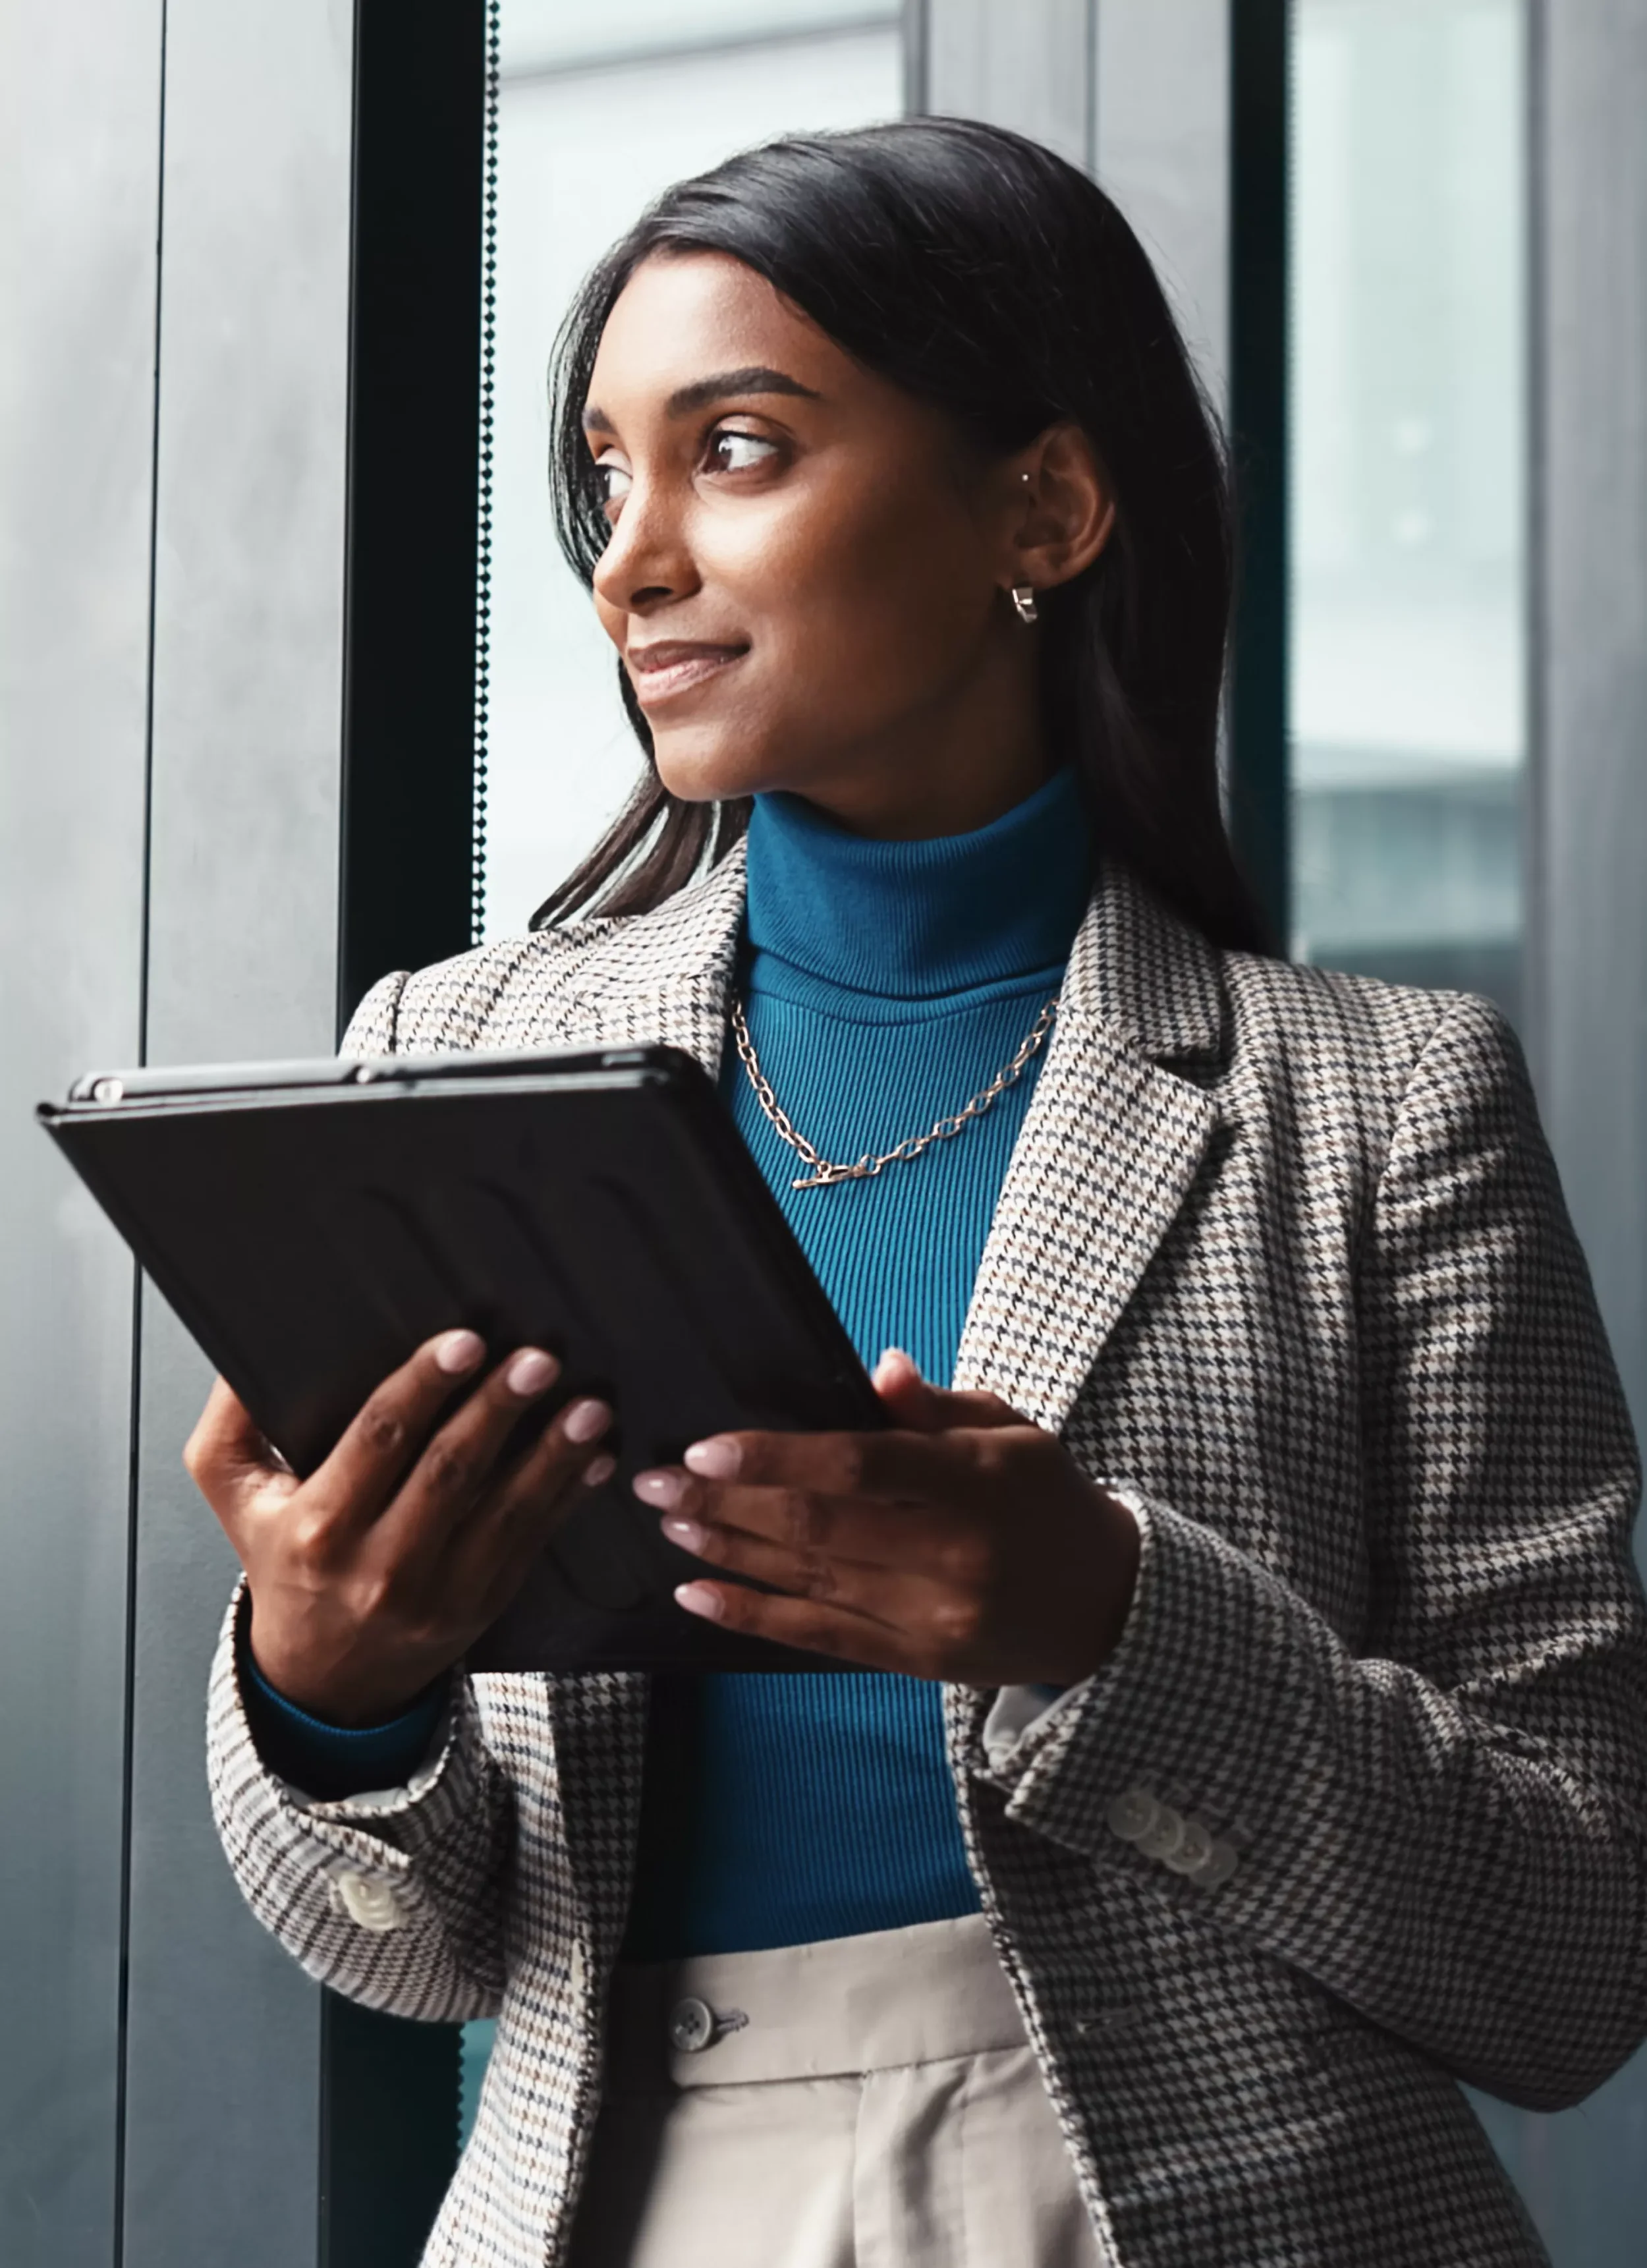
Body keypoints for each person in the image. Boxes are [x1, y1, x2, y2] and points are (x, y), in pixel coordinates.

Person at [187, 119, 1647, 2268]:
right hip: (621, 2207)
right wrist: (330, 1690)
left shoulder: (1380, 1109)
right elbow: (402, 1943)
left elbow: (1572, 1947)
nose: (629, 562)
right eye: (607, 476)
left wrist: (1107, 1620)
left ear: (1038, 508)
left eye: (740, 450)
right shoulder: (444, 1063)